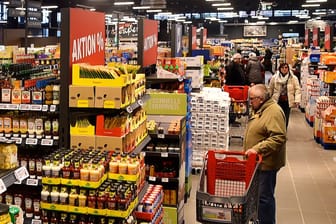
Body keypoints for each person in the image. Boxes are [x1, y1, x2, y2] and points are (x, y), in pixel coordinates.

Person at [244, 84, 287, 224]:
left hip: (266, 163)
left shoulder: (273, 112)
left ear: (261, 99)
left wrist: (257, 149)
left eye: (252, 99)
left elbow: (278, 137)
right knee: (258, 197)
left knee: (264, 198)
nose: (250, 102)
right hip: (258, 163)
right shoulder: (262, 109)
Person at [268, 62, 301, 128]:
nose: (284, 69)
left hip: (287, 101)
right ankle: (277, 131)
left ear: (288, 69)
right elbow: (270, 89)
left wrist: (297, 100)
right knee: (277, 117)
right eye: (282, 67)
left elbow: (297, 89)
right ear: (279, 69)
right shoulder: (274, 78)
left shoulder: (293, 78)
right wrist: (267, 99)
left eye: (286, 67)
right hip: (277, 100)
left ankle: (284, 132)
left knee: (286, 117)